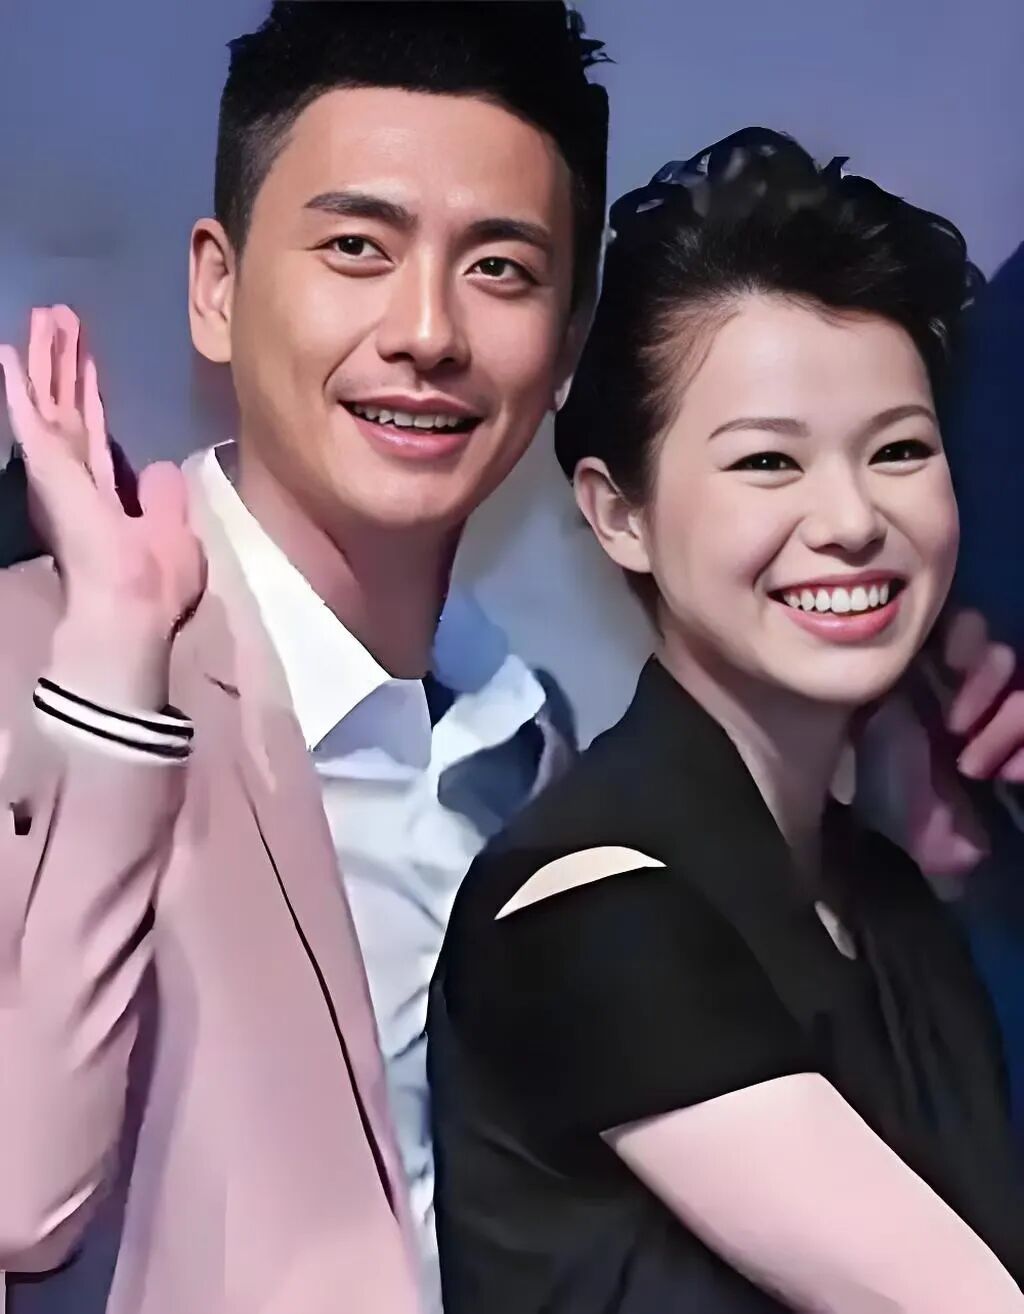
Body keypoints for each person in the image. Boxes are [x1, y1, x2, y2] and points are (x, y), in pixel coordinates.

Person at [0, 4, 607, 1312]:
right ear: (216, 290)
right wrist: (113, 700)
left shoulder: (533, 748)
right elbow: (15, 1197)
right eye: (356, 248)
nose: (427, 330)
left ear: (565, 345)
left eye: (501, 268)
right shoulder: (23, 663)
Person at [429, 129, 1024, 1314]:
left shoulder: (890, 903)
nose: (850, 519)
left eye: (898, 450)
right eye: (768, 463)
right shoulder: (586, 911)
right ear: (619, 515)